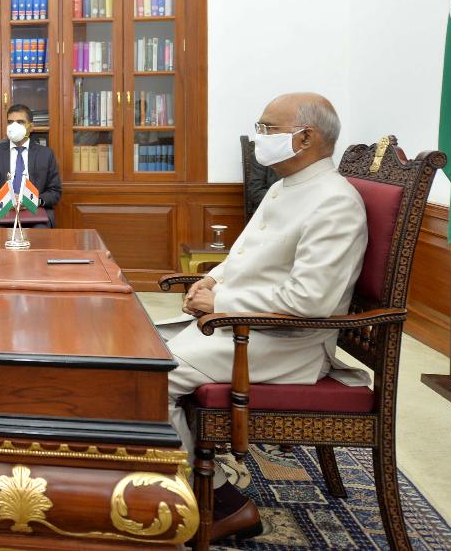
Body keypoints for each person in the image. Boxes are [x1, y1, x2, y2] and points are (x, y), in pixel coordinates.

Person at [157, 92, 368, 542]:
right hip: (242, 329)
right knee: (133, 352)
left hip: (284, 343)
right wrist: (209, 281)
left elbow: (309, 301)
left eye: (267, 129)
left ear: (305, 138)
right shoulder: (283, 187)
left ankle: (220, 504)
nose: (258, 138)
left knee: (147, 382)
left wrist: (221, 301)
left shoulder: (335, 202)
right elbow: (244, 257)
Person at [0, 104, 62, 227]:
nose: (14, 126)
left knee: (40, 233)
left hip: (35, 213)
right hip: (3, 211)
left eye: (20, 122)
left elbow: (55, 191)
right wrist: (7, 200)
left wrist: (34, 201)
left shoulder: (46, 154)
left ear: (31, 127)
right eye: (10, 122)